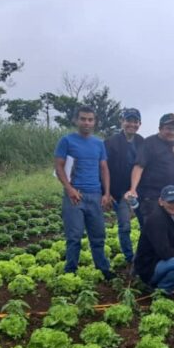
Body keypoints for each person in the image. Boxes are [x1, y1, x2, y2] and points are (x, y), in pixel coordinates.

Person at [53, 105, 113, 280]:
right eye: (83, 119)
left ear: (94, 122)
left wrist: (106, 193)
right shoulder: (67, 141)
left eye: (90, 119)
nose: (86, 123)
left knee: (98, 235)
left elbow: (104, 169)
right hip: (75, 196)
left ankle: (103, 268)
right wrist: (69, 189)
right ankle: (70, 270)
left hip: (95, 195)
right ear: (76, 120)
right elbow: (59, 166)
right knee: (74, 236)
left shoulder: (99, 143)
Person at [104, 108, 145, 264]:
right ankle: (130, 258)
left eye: (135, 121)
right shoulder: (111, 142)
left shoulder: (142, 142)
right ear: (122, 121)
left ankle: (143, 254)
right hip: (119, 192)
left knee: (145, 225)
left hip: (138, 192)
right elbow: (103, 168)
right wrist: (106, 192)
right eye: (129, 120)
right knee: (124, 226)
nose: (132, 124)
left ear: (139, 124)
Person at [125, 113, 174, 225]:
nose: (172, 132)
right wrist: (133, 189)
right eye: (168, 129)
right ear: (160, 128)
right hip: (151, 198)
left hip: (170, 198)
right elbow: (139, 166)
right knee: (151, 230)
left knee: (170, 231)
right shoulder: (149, 143)